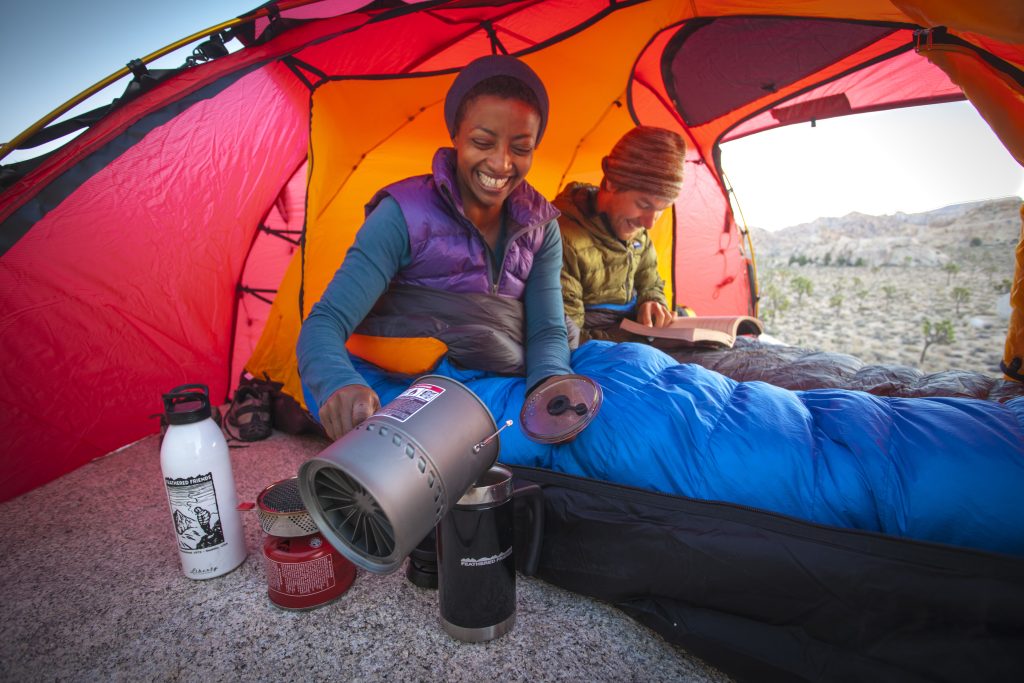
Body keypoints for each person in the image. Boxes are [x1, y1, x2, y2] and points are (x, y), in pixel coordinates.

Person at [296, 55, 575, 441]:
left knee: (626, 383)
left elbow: (546, 329)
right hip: (415, 387)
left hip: (509, 370)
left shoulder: (541, 227)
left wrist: (551, 388)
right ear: (455, 137)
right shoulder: (402, 215)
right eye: (482, 142)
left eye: (521, 147)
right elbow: (324, 323)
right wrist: (338, 383)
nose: (501, 163)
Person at [554, 126, 687, 343]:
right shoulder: (562, 238)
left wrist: (652, 301)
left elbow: (650, 281)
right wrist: (633, 338)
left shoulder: (638, 233)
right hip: (602, 346)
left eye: (661, 209)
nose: (649, 223)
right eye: (643, 204)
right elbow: (567, 338)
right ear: (611, 182)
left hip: (633, 335)